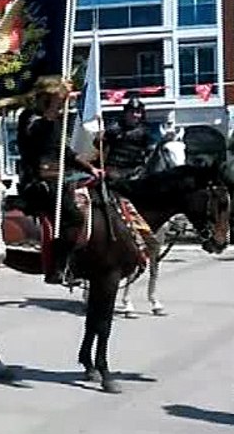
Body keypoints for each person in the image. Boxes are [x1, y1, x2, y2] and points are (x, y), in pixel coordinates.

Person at [16, 77, 102, 285]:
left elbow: (65, 152)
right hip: (38, 181)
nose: (64, 104)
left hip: (59, 179)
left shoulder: (54, 122)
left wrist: (91, 168)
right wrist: (55, 103)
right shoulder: (29, 118)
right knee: (73, 217)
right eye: (58, 100)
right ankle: (59, 268)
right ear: (46, 99)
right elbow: (38, 134)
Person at [101, 96, 151, 183]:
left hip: (136, 171)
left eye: (138, 112)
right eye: (132, 112)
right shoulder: (113, 129)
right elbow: (100, 148)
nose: (135, 115)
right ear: (126, 113)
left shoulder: (145, 131)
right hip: (114, 170)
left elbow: (149, 152)